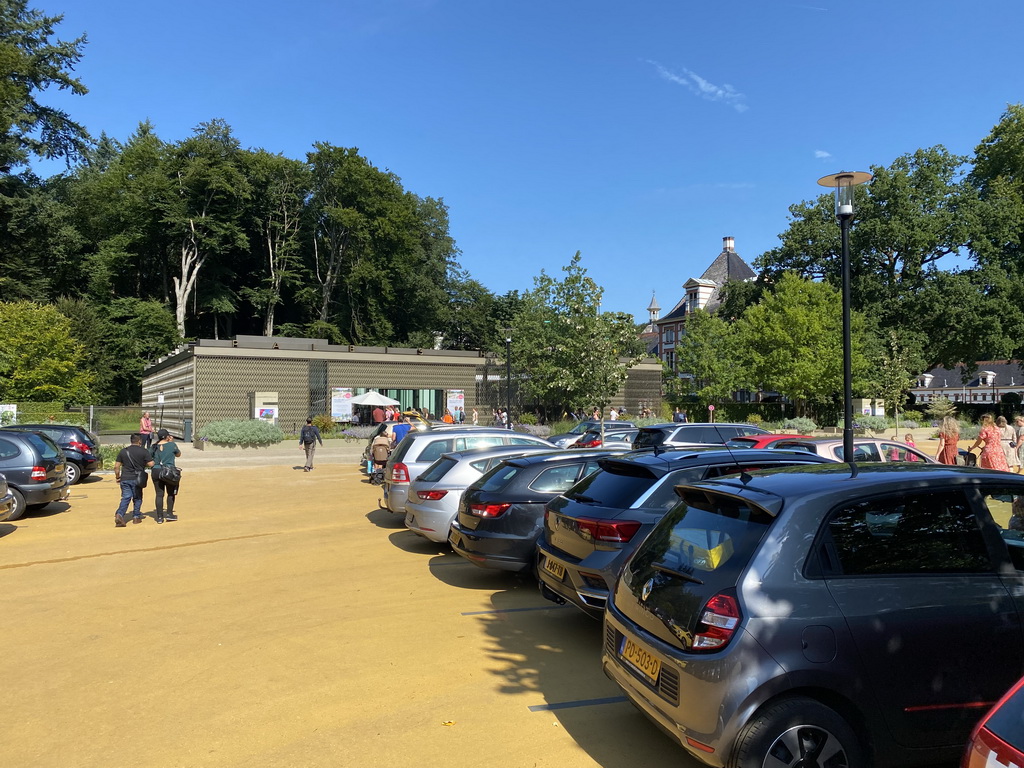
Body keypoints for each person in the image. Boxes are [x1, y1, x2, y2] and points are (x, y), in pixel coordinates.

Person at [113, 433, 154, 527]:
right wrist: (143, 464)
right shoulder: (143, 451)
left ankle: (119, 514)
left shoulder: (123, 451)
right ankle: (136, 517)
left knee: (126, 497)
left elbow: (116, 467)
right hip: (137, 478)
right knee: (137, 497)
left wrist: (117, 477)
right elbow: (151, 464)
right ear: (139, 441)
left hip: (125, 478)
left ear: (131, 440)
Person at [150, 428, 181, 523]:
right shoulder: (172, 445)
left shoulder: (153, 446)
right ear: (167, 436)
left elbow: (149, 457)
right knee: (170, 493)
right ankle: (169, 514)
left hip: (156, 470)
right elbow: (178, 454)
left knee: (159, 494)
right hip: (169, 471)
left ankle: (159, 517)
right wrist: (171, 442)